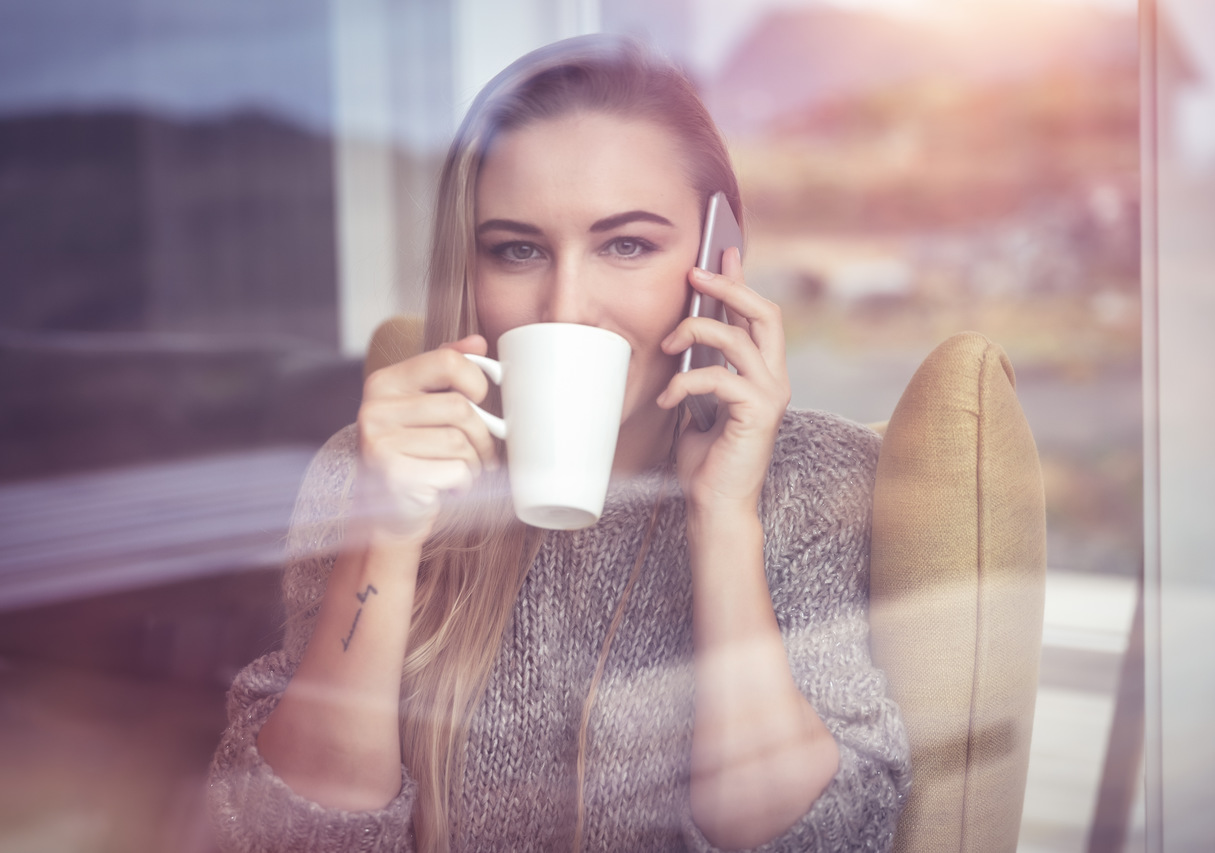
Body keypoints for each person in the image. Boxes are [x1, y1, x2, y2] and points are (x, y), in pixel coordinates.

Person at [208, 34, 909, 853]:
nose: (566, 305)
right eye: (518, 250)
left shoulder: (815, 482)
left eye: (626, 245)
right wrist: (385, 536)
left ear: (719, 259)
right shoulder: (371, 466)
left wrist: (723, 520)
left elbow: (824, 842)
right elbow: (281, 840)